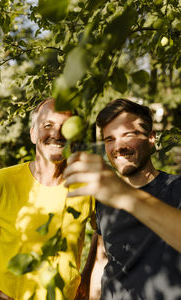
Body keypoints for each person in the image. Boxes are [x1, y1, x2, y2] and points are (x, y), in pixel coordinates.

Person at [64, 98, 181, 300]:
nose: (119, 146)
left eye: (128, 134)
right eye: (110, 139)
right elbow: (101, 262)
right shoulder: (104, 198)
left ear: (151, 138)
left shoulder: (176, 188)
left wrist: (123, 194)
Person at [0, 97, 95, 300]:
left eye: (65, 127)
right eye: (47, 125)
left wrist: (87, 277)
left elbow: (104, 233)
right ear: (33, 133)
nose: (56, 134)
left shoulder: (87, 185)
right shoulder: (0, 183)